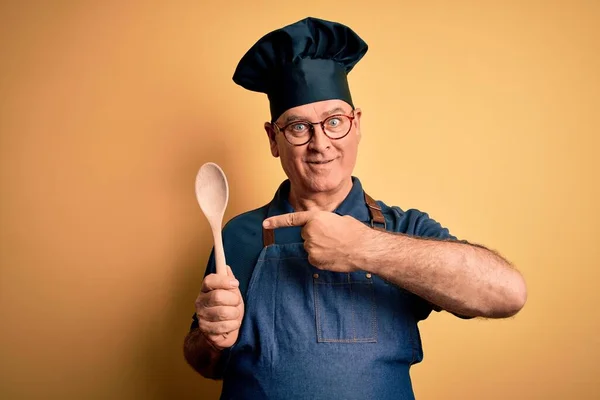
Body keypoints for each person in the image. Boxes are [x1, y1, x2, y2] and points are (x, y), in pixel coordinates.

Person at [183, 17, 527, 400]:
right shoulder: (236, 234)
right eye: (299, 127)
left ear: (357, 124)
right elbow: (204, 361)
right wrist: (213, 339)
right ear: (273, 139)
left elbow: (507, 293)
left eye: (335, 122)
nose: (321, 144)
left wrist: (365, 248)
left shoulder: (403, 227)